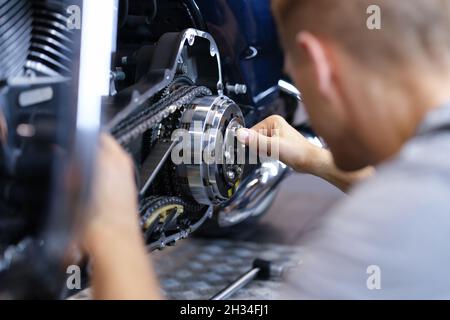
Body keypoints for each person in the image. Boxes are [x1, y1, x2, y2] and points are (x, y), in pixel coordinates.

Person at [83, 0, 450, 299]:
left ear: (320, 67)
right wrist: (317, 161)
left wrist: (113, 229)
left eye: (292, 73)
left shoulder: (377, 240)